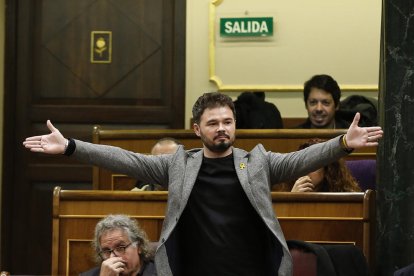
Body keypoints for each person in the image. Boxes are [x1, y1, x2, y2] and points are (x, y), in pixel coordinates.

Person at [23, 92, 383, 276]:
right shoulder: (180, 164)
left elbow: (299, 161)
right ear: (198, 129)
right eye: (213, 123)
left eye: (228, 121)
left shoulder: (256, 161)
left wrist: (343, 143)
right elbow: (125, 159)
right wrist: (71, 146)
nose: (222, 128)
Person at [274, 138, 362, 192]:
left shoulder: (345, 196)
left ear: (328, 169)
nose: (304, 171)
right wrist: (292, 199)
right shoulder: (290, 190)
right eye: (301, 165)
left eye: (312, 166)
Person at [80, 214, 156, 276]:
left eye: (120, 248)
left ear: (139, 247)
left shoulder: (161, 272)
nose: (112, 257)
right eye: (106, 251)